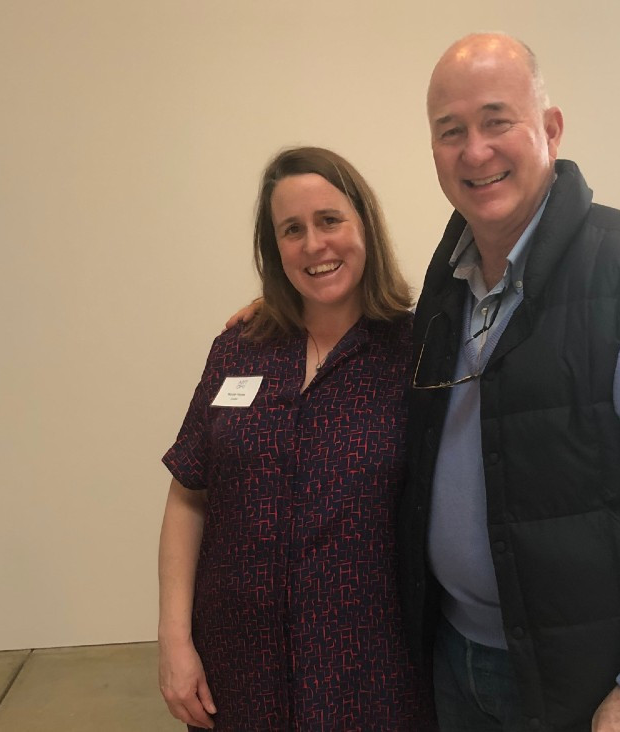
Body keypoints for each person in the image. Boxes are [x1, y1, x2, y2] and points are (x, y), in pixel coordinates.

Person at [398, 33, 620, 731]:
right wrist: (291, 319)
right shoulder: (447, 289)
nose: (476, 151)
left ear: (550, 129)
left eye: (497, 120)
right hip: (452, 660)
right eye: (451, 131)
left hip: (581, 682)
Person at [158, 146, 434, 731]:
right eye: (292, 230)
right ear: (273, 247)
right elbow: (188, 494)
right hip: (237, 671)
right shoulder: (237, 348)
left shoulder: (418, 355)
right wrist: (175, 642)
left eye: (329, 220)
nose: (314, 245)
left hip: (372, 673)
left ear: (365, 225)